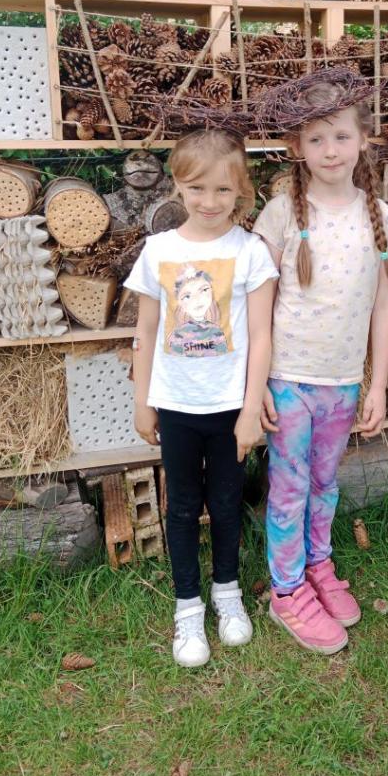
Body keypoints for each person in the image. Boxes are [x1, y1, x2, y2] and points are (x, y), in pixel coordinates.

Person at [253, 80, 388, 653]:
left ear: (363, 139)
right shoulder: (280, 216)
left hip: (342, 383)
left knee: (325, 482)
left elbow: (385, 304)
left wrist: (377, 384)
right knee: (289, 485)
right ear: (298, 147)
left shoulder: (380, 218)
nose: (330, 150)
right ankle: (286, 589)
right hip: (289, 380)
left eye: (341, 136)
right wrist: (256, 384)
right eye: (316, 139)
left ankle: (318, 564)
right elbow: (258, 304)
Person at [125, 129, 278, 667]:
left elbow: (261, 336)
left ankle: (227, 591)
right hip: (176, 406)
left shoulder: (251, 251)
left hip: (229, 408)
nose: (209, 202)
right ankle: (187, 606)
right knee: (185, 506)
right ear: (177, 185)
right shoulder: (159, 251)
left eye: (222, 190)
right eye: (197, 188)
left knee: (227, 502)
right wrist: (143, 401)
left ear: (241, 190)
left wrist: (251, 409)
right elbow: (146, 329)